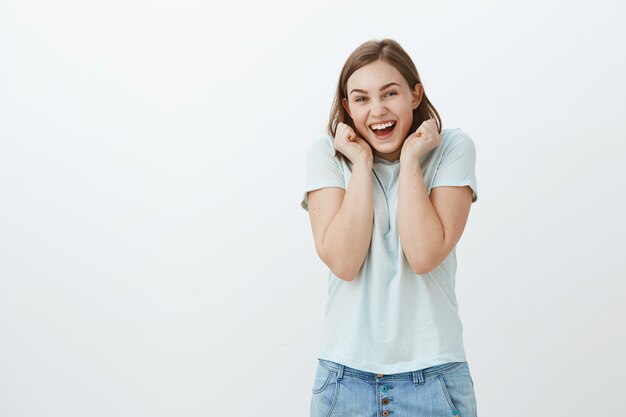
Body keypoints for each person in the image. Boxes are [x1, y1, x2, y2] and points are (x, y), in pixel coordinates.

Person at [301, 39, 480, 417]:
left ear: (415, 95)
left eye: (390, 93)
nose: (377, 110)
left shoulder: (451, 148)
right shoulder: (328, 155)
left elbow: (424, 254)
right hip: (343, 379)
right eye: (362, 99)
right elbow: (344, 262)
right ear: (348, 108)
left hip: (434, 378)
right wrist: (362, 163)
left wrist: (412, 158)